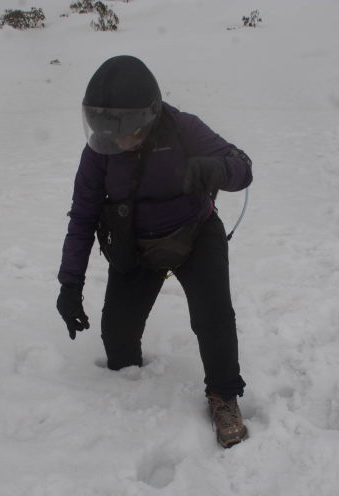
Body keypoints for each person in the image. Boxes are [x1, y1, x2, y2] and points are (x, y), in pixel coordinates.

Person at [56, 55, 253, 448]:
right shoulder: (99, 152)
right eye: (106, 130)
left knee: (213, 317)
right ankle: (130, 384)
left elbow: (242, 166)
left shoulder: (182, 128)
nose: (117, 140)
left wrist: (217, 170)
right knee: (117, 342)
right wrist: (69, 285)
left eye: (126, 130)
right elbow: (82, 217)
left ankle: (224, 396)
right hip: (136, 245)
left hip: (195, 234)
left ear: (149, 115)